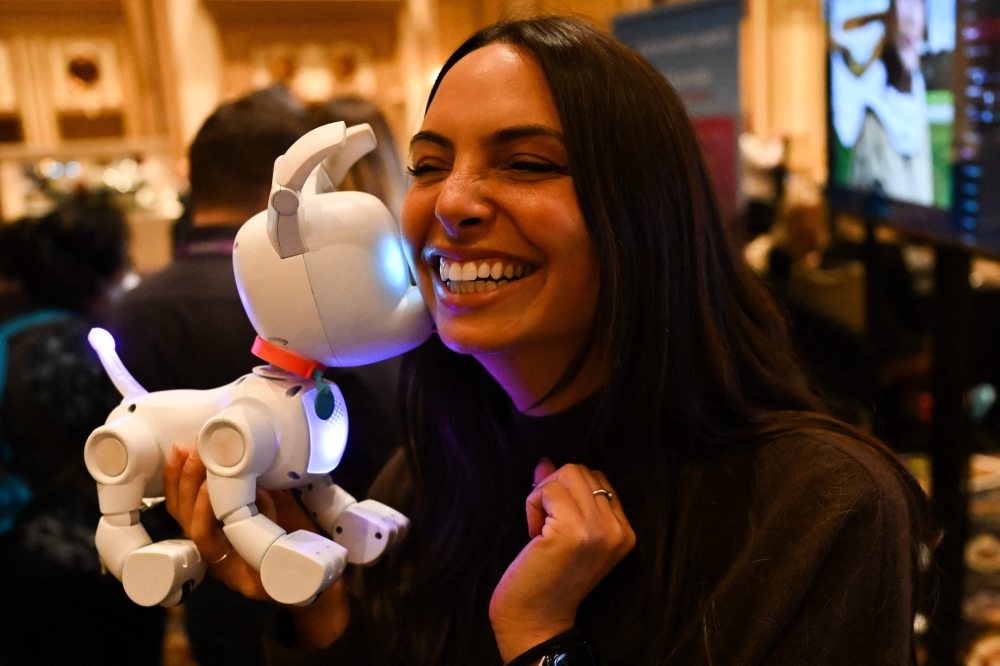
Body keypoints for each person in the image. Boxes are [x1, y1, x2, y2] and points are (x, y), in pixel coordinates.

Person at [166, 17, 930, 665]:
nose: (453, 202)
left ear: (644, 212)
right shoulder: (430, 471)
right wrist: (326, 614)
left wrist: (538, 638)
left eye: (526, 163)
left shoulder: (824, 509)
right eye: (430, 166)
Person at [0, 192, 167, 665]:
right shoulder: (90, 348)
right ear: (105, 271)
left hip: (19, 559)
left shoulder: (10, 337)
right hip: (96, 567)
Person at [833, 0, 934, 205]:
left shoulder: (916, 81)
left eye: (916, 7)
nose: (910, 18)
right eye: (901, 9)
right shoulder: (874, 82)